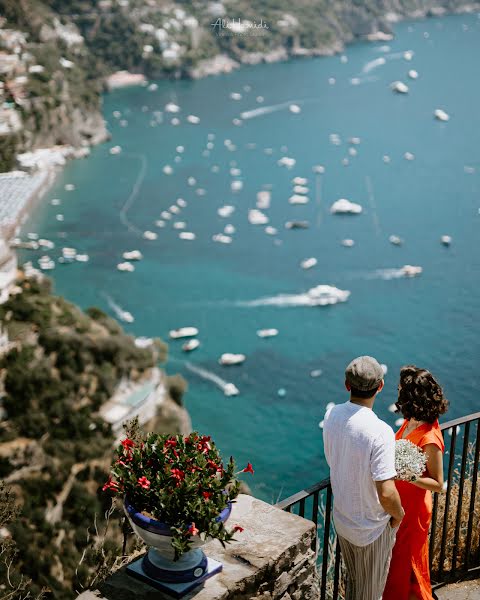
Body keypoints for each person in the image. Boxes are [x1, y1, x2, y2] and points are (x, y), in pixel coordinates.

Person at [323, 356, 405, 600]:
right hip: (370, 528)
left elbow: (333, 458)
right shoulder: (380, 431)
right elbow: (387, 492)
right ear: (380, 387)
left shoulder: (332, 415)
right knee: (369, 594)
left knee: (354, 584)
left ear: (347, 385)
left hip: (343, 519)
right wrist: (398, 515)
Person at [383, 366, 448, 600]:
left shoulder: (430, 438)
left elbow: (439, 484)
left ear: (413, 396)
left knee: (407, 563)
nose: (398, 393)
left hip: (414, 510)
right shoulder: (411, 420)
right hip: (401, 503)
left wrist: (409, 476)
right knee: (397, 564)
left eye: (402, 390)